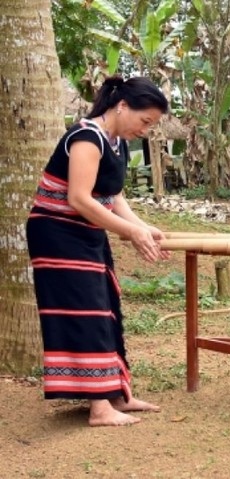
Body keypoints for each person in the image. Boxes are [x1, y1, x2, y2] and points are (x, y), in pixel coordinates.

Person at [26, 76, 170, 427]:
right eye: (145, 121)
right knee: (84, 311)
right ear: (122, 106)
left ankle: (117, 393)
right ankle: (99, 407)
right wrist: (130, 232)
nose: (146, 130)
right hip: (57, 233)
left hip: (87, 232)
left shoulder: (115, 141)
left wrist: (141, 225)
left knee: (105, 306)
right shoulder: (87, 137)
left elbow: (112, 195)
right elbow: (78, 197)